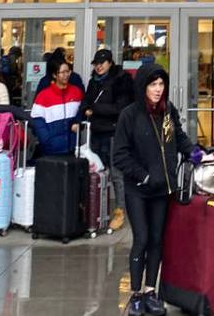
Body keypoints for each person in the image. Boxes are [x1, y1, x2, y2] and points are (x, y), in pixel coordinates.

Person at [113, 64, 198, 316]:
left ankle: (151, 291)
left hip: (164, 189)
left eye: (161, 85)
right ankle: (136, 294)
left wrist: (196, 153)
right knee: (141, 239)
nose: (158, 90)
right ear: (143, 86)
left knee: (157, 240)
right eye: (153, 85)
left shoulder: (167, 111)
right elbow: (120, 155)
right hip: (138, 190)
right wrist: (144, 175)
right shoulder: (129, 115)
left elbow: (178, 138)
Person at [79, 49, 134, 230]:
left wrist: (95, 109)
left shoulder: (121, 80)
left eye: (102, 63)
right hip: (95, 133)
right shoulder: (93, 81)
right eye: (96, 64)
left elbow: (120, 108)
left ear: (110, 62)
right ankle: (96, 210)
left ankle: (120, 210)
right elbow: (85, 103)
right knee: (96, 172)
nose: (99, 67)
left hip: (114, 133)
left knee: (117, 174)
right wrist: (91, 109)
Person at [31, 56, 83, 156]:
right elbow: (37, 122)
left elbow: (80, 114)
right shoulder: (43, 95)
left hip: (72, 149)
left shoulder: (76, 92)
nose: (66, 75)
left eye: (68, 71)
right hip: (50, 151)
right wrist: (47, 141)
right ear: (54, 75)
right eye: (62, 72)